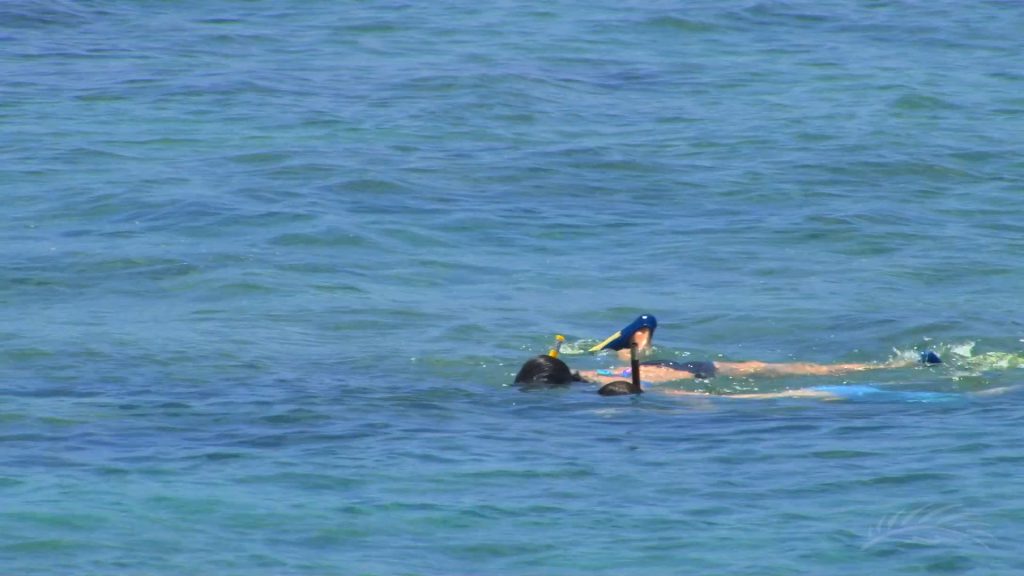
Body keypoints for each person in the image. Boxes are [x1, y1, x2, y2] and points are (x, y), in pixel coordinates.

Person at [580, 314, 942, 386]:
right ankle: (894, 365)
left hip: (682, 368)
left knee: (767, 366)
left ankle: (638, 340)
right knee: (770, 368)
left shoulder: (587, 376)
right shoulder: (591, 379)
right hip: (688, 373)